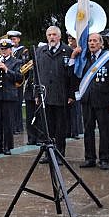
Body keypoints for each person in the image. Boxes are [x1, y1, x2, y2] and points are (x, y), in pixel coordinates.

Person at [77, 33, 109, 170]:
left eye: (95, 41)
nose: (91, 43)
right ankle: (89, 158)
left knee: (104, 130)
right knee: (88, 130)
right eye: (89, 41)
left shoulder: (108, 58)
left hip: (103, 101)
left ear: (101, 44)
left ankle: (105, 159)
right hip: (87, 100)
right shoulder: (84, 58)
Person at [34, 26, 75, 160]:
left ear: (59, 36)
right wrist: (36, 93)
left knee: (60, 128)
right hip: (45, 96)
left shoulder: (68, 51)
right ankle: (48, 154)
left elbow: (72, 75)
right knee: (48, 127)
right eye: (49, 35)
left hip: (61, 95)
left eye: (54, 35)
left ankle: (59, 154)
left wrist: (71, 94)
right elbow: (36, 73)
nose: (52, 37)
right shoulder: (40, 51)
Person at [0, 39, 23, 155]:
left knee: (7, 123)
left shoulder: (16, 62)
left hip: (8, 96)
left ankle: (7, 146)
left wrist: (6, 70)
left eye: (6, 49)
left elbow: (18, 77)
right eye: (1, 49)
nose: (3, 51)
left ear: (10, 49)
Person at [8, 30, 29, 135]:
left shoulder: (23, 50)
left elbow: (24, 63)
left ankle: (18, 126)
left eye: (14, 39)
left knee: (17, 104)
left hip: (18, 79)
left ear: (18, 40)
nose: (12, 41)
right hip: (9, 79)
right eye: (11, 39)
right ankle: (11, 125)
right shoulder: (7, 49)